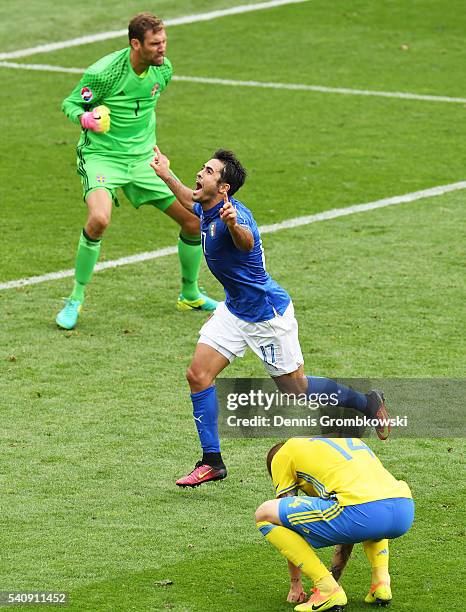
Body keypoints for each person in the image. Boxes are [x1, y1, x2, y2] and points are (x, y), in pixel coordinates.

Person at [150, 147, 390, 488]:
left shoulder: (237, 218)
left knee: (296, 389)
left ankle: (367, 402)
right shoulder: (207, 204)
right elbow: (190, 199)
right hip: (234, 310)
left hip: (266, 317)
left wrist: (233, 225)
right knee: (198, 375)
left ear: (224, 188)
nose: (200, 174)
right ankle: (212, 461)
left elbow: (245, 243)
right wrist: (165, 173)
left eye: (208, 171)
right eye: (203, 168)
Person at [56, 12, 217, 330]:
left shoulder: (163, 71)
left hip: (144, 160)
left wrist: (150, 148)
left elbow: (143, 112)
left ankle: (190, 293)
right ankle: (75, 299)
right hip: (103, 157)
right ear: (135, 44)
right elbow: (71, 104)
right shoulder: (104, 73)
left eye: (164, 42)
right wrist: (86, 119)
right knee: (99, 219)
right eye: (155, 44)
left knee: (193, 220)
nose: (163, 49)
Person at [255, 437, 414, 611]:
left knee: (265, 513)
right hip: (404, 508)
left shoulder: (282, 454)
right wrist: (335, 576)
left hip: (360, 511)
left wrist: (296, 585)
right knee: (363, 508)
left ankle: (326, 589)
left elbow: (285, 521)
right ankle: (381, 582)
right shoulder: (338, 443)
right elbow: (350, 522)